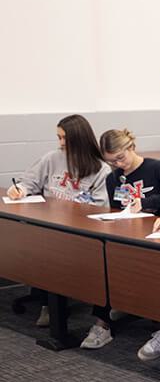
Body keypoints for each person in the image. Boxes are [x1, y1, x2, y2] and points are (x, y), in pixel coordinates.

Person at [76, 129, 160, 352]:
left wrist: (147, 203)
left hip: (158, 232)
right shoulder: (113, 178)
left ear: (132, 147)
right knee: (106, 263)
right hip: (127, 233)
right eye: (112, 161)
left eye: (121, 158)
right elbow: (116, 208)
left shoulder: (155, 168)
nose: (118, 164)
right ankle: (102, 324)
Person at [6, 115, 111, 328]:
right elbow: (29, 183)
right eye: (59, 137)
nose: (61, 143)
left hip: (78, 232)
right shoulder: (51, 158)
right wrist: (19, 190)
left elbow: (101, 207)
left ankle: (53, 305)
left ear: (79, 139)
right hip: (47, 225)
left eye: (65, 138)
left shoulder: (100, 169)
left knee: (54, 254)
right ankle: (48, 302)